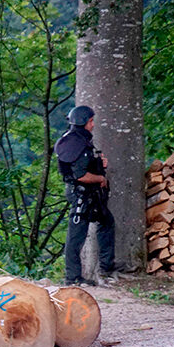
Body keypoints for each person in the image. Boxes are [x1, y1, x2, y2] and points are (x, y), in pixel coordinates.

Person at [54, 106, 116, 286]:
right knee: (76, 235)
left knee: (106, 222)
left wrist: (99, 163)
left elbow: (83, 164)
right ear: (83, 122)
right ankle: (73, 277)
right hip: (81, 194)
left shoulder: (74, 140)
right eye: (90, 121)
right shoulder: (77, 143)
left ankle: (106, 269)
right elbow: (80, 175)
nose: (93, 124)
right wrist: (100, 178)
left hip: (88, 194)